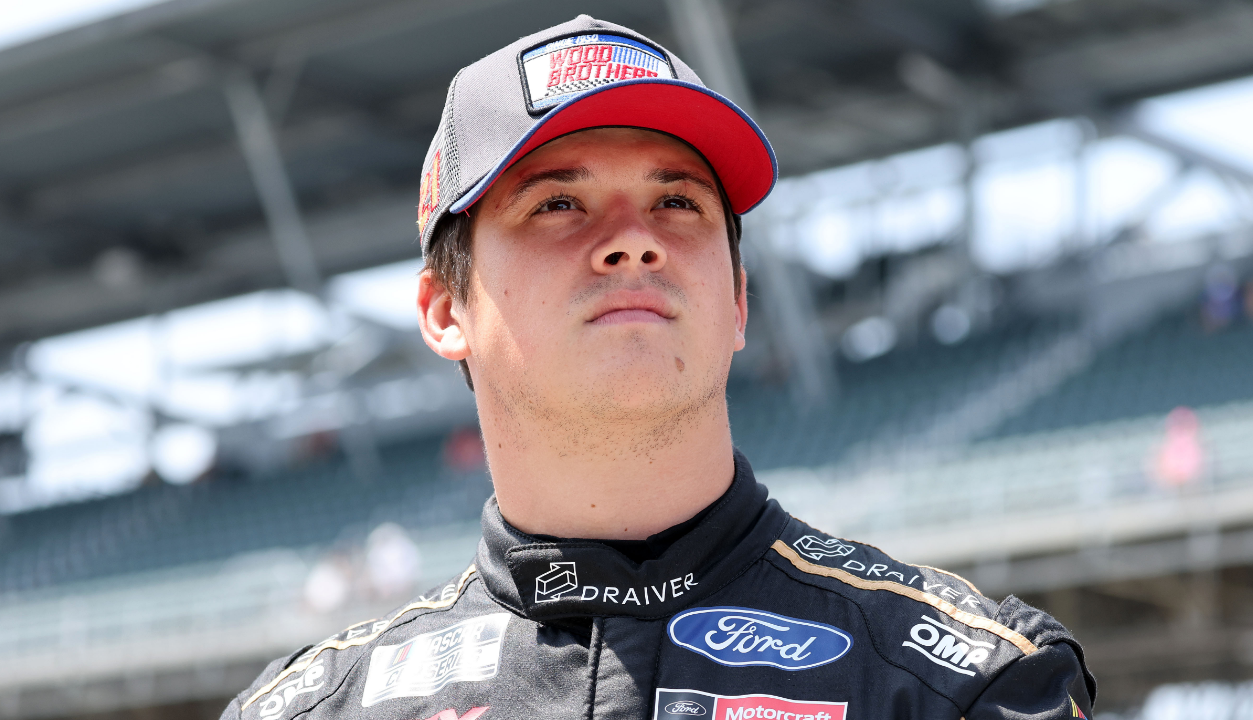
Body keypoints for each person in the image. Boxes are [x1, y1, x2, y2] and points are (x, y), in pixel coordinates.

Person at [222, 15, 1094, 720]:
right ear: (447, 310)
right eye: (557, 203)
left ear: (738, 299)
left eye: (676, 201)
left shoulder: (968, 686)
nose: (634, 240)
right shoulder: (310, 710)